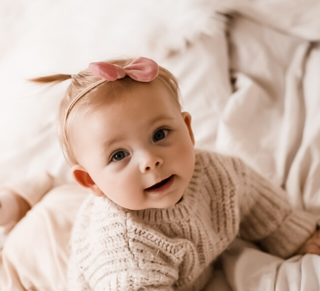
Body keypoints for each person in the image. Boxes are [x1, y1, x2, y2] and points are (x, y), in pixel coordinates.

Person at [3, 57, 319, 290]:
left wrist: (297, 236)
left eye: (159, 134)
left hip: (71, 209)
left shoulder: (218, 173)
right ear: (92, 181)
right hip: (39, 251)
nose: (150, 160)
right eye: (119, 155)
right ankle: (17, 204)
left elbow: (259, 202)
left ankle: (23, 198)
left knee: (57, 200)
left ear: (188, 129)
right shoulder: (121, 254)